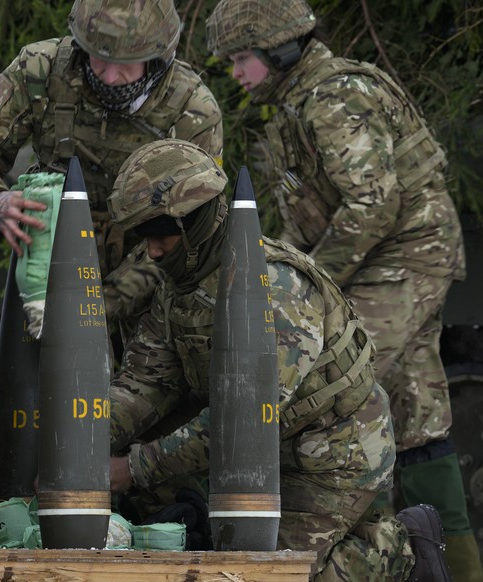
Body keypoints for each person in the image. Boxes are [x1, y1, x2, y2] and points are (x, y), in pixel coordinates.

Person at [205, 1, 480, 579]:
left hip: (404, 260)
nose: (235, 73)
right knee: (417, 415)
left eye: (241, 59)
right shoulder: (298, 105)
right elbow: (309, 216)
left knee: (342, 388)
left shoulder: (332, 97)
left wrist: (308, 284)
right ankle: (443, 566)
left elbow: (373, 205)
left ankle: (369, 555)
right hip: (392, 261)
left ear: (278, 51)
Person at [106, 138, 451, 581]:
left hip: (329, 456)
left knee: (272, 575)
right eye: (142, 236)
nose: (152, 250)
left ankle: (401, 547)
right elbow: (145, 382)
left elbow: (247, 419)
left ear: (197, 221)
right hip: (247, 457)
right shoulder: (180, 286)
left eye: (160, 233)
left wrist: (135, 467)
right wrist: (86, 435)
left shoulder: (276, 289)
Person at [0, 0, 223, 339]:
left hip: (146, 293)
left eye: (125, 65)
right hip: (46, 274)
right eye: (99, 58)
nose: (108, 76)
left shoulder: (193, 111)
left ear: (156, 60)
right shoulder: (39, 70)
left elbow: (193, 229)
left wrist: (100, 306)